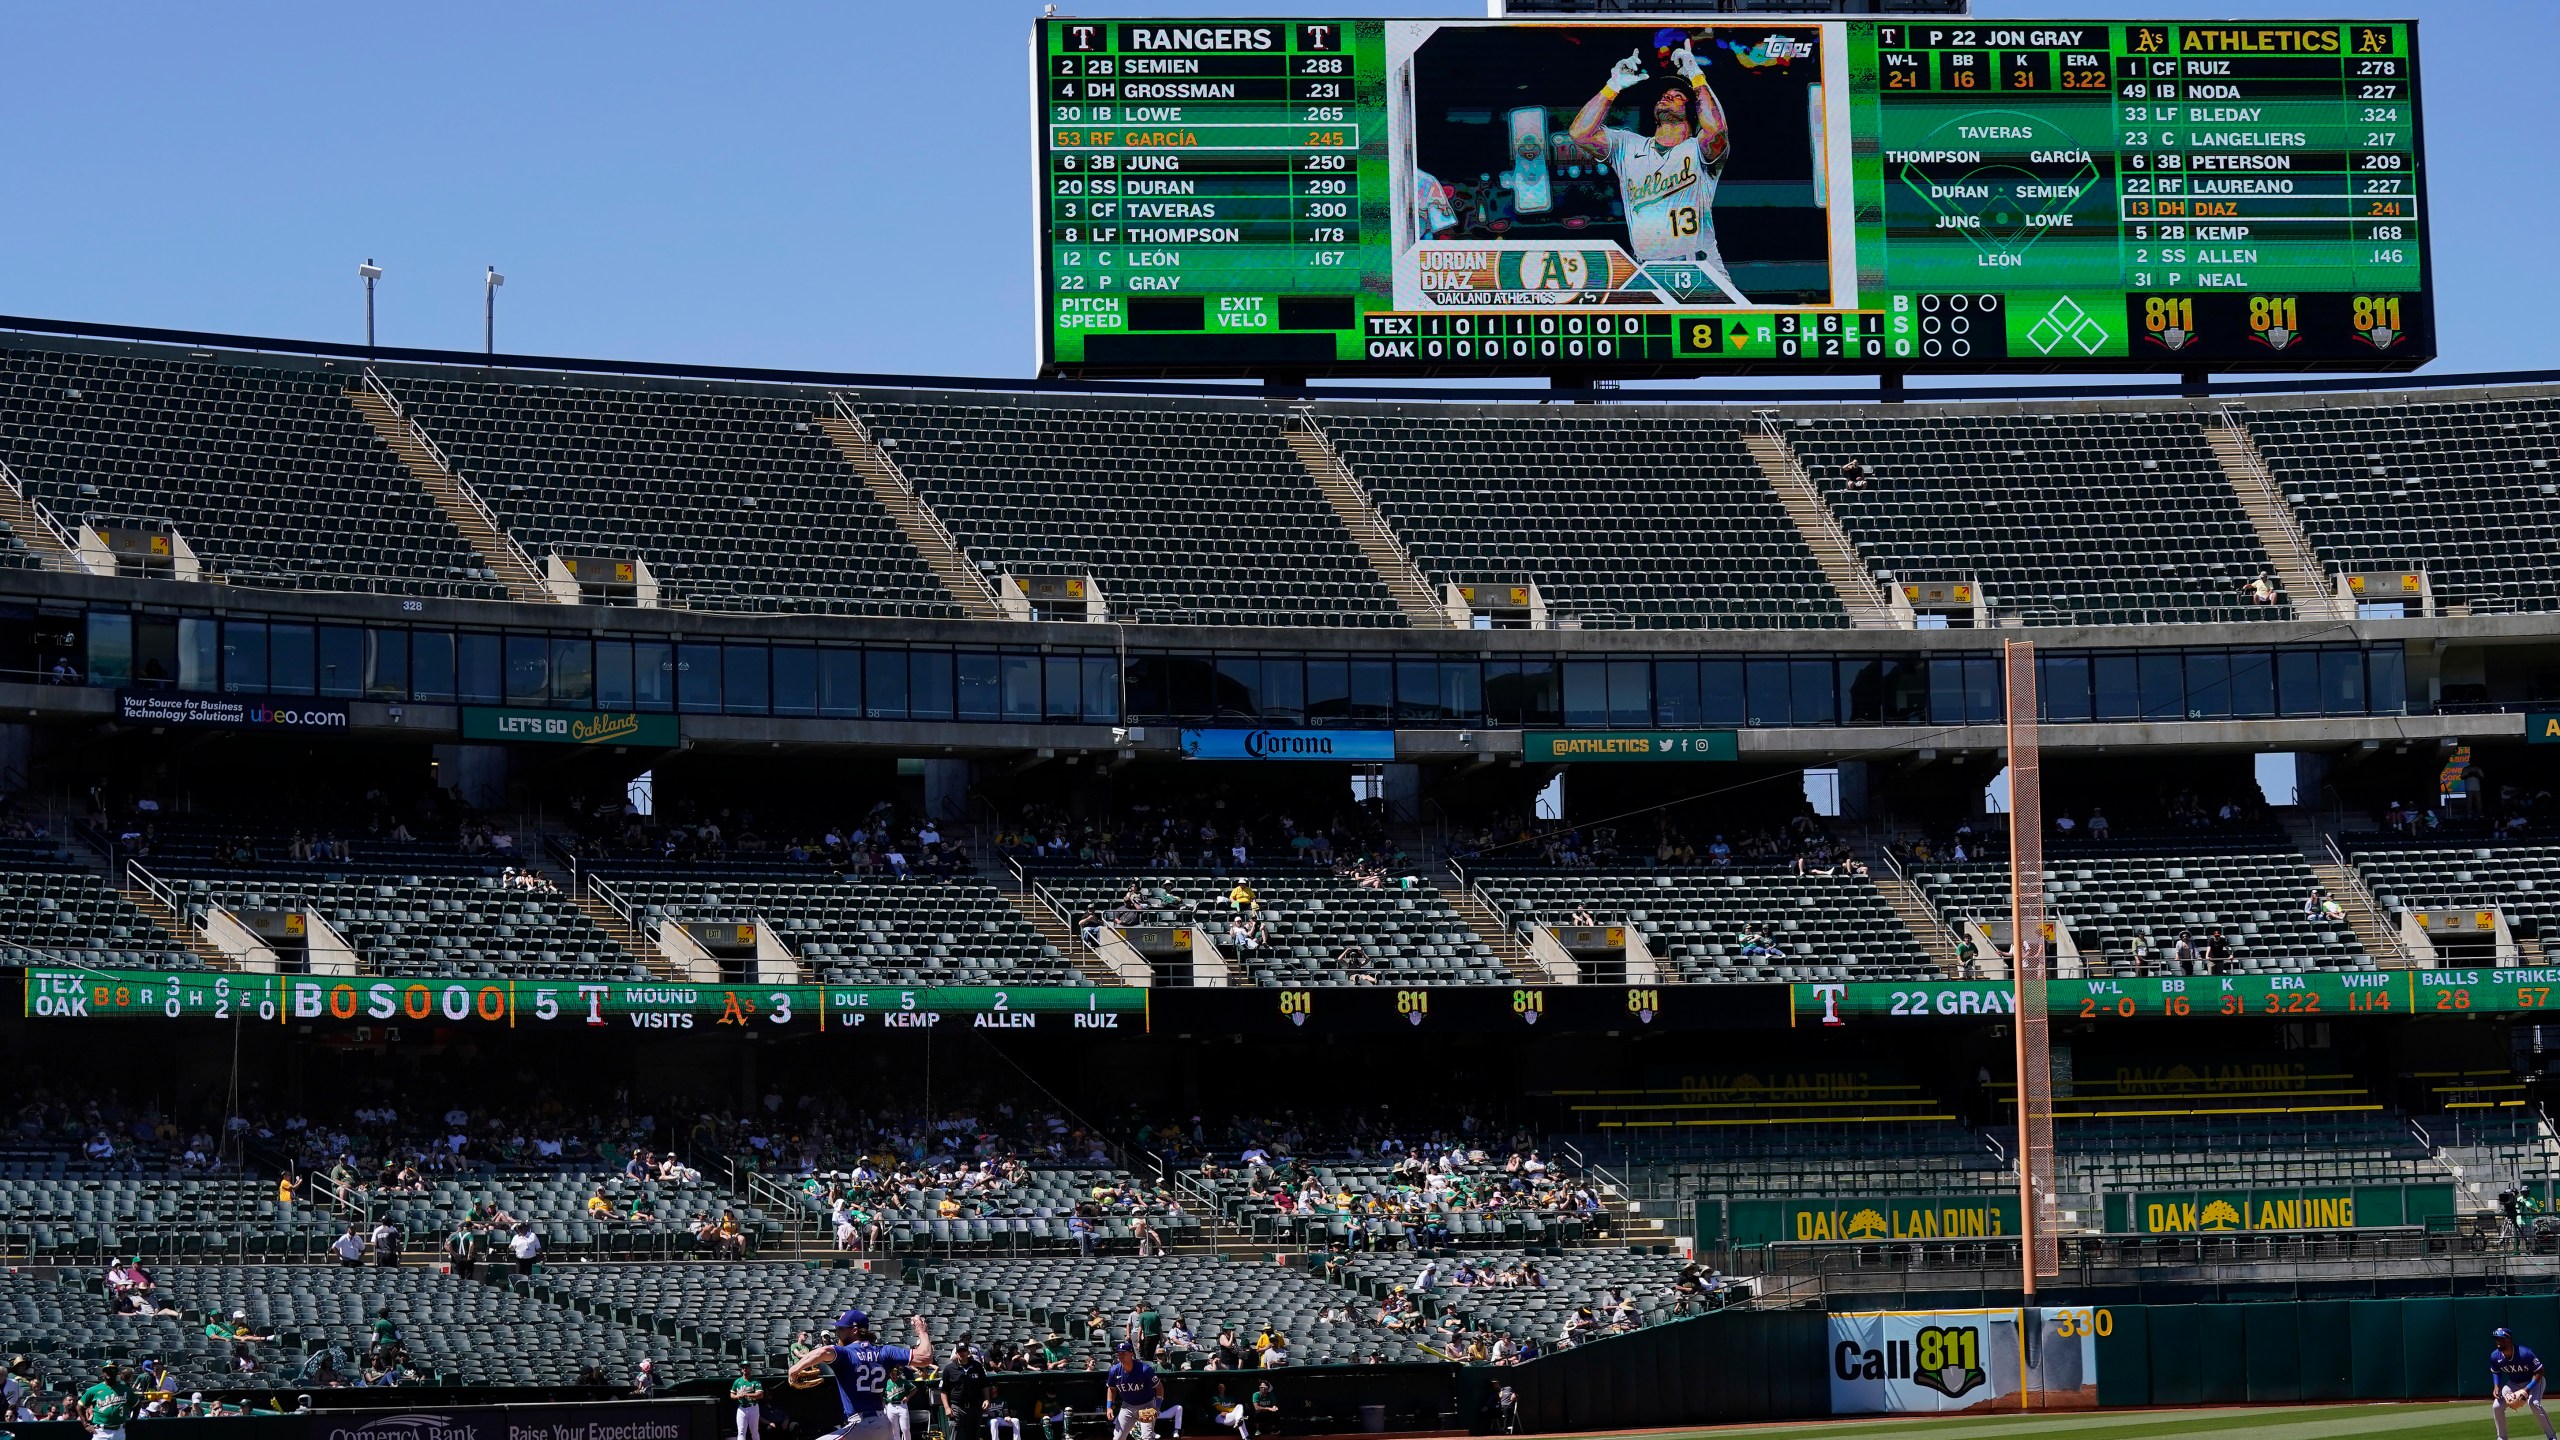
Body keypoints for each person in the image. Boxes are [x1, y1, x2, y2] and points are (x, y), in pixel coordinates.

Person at [1566, 29, 1744, 305]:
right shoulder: (1628, 146)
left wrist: (1697, 78)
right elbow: (1580, 133)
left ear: (1692, 110)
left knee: (1741, 344)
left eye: (1677, 96)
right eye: (1664, 95)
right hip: (1648, 271)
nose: (1667, 97)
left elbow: (1717, 131)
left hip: (1701, 268)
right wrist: (1612, 86)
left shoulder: (1697, 148)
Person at [789, 1309, 934, 1440]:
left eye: (841, 1328)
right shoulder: (885, 1351)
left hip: (862, 1425)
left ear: (855, 1331)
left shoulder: (845, 1353)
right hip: (884, 1424)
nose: (837, 1331)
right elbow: (926, 1356)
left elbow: (823, 1351)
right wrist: (922, 1331)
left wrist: (795, 1368)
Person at [2497, 1329, 2558, 1440]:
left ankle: (2552, 1437)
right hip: (2513, 1384)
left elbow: (2539, 1371)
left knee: (2534, 1403)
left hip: (2533, 1382)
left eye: (2501, 1339)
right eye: (2497, 1339)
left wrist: (2527, 1389)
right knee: (2497, 1406)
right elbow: (2496, 1371)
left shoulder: (2525, 1353)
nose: (2498, 1341)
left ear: (2509, 1340)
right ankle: (2502, 1437)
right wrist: (2496, 1386)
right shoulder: (2495, 1356)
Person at [1104, 1340, 1163, 1440]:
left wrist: (1157, 1407)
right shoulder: (1114, 1371)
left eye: (1123, 1353)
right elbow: (1112, 1389)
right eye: (1119, 1353)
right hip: (1127, 1406)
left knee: (1146, 1437)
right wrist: (1109, 1407)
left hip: (1147, 1405)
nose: (1120, 1355)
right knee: (1118, 1437)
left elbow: (1159, 1388)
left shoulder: (1144, 1370)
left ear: (1131, 1353)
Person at [941, 1342, 989, 1440]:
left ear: (968, 1352)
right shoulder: (949, 1369)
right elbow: (944, 1391)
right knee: (956, 1435)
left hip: (975, 1407)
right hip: (957, 1408)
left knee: (974, 1435)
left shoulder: (977, 1366)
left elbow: (984, 1386)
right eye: (959, 1351)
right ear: (956, 1353)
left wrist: (987, 1399)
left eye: (964, 1350)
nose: (962, 1353)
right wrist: (946, 1407)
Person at [79, 1363, 128, 1440]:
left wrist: (133, 1421)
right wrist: (86, 1424)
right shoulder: (94, 1390)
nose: (109, 1372)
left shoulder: (125, 1389)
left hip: (119, 1431)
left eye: (112, 1370)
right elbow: (79, 1406)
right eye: (106, 1370)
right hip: (101, 1431)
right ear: (103, 1373)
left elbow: (137, 1405)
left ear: (116, 1373)